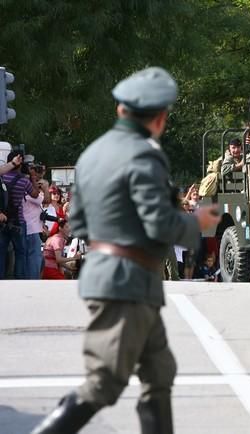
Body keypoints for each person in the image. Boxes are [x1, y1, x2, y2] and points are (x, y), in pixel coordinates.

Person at [31, 67, 220, 434]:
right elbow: (160, 224)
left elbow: (80, 224)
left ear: (121, 111)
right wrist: (197, 223)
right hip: (127, 284)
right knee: (103, 383)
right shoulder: (145, 156)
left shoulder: (93, 154)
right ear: (160, 118)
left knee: (159, 371)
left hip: (115, 278)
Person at [0, 150, 42, 279]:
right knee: (20, 253)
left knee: (1, 253)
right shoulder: (24, 181)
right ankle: (19, 282)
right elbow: (35, 194)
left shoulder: (2, 177)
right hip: (18, 221)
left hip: (2, 221)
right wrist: (33, 177)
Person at [23, 161, 51, 279]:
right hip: (31, 229)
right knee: (34, 259)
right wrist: (45, 189)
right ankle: (33, 283)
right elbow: (46, 201)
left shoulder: (25, 187)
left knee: (33, 258)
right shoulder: (28, 190)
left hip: (29, 228)